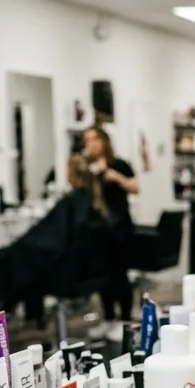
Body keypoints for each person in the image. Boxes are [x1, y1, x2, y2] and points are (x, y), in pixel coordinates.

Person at [0, 152, 112, 322]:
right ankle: (10, 308)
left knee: (14, 259)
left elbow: (52, 239)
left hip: (68, 274)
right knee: (23, 261)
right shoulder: (95, 202)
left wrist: (24, 244)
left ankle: (3, 306)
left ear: (72, 174)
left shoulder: (72, 201)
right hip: (86, 270)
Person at [81, 125, 139, 323]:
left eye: (94, 139)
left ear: (104, 141)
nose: (91, 144)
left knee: (120, 275)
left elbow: (135, 187)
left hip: (120, 229)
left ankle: (125, 318)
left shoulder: (119, 164)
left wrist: (115, 177)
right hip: (99, 231)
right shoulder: (87, 169)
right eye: (87, 140)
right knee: (103, 277)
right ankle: (108, 318)